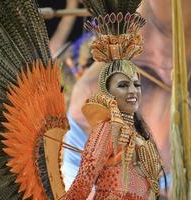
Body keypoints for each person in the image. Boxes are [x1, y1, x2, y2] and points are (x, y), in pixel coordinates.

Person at [63, 1, 163, 199]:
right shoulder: (106, 130)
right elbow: (82, 184)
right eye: (123, 85)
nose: (133, 91)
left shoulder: (140, 133)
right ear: (108, 93)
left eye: (136, 84)